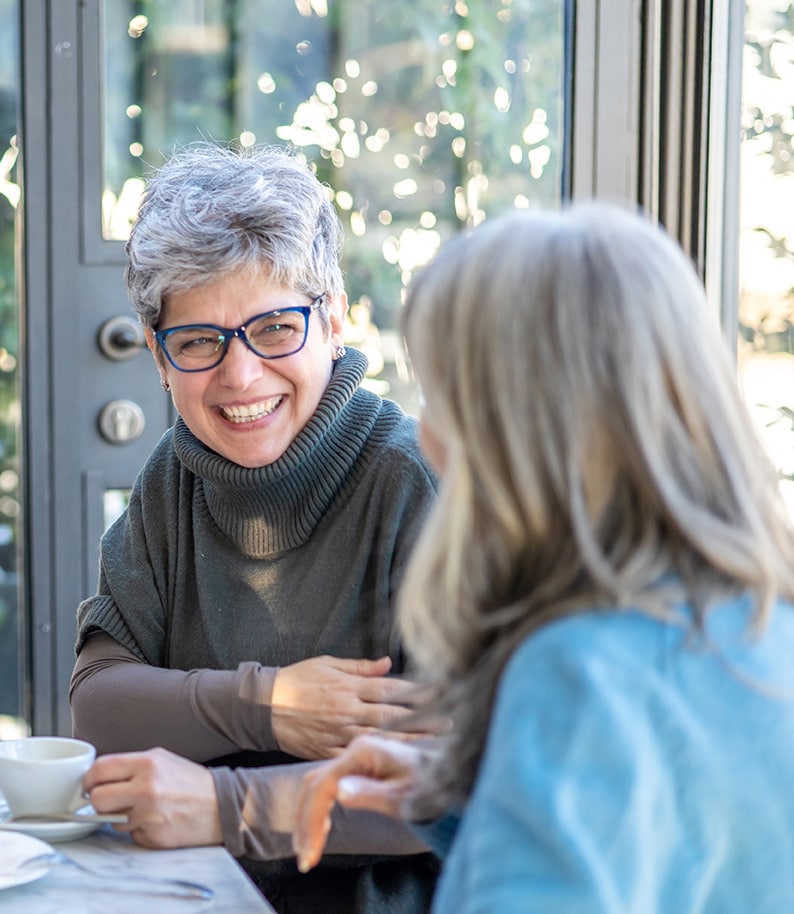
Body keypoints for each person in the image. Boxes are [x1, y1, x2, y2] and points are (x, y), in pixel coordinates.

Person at [290, 204, 794, 910]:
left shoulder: (579, 674)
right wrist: (479, 796)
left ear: (514, 437)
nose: (426, 433)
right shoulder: (760, 617)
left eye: (442, 400)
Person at [70, 142, 440, 912]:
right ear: (157, 355)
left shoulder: (412, 482)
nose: (239, 377)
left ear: (333, 320)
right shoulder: (175, 478)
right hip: (186, 891)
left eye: (274, 329)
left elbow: (443, 783)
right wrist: (267, 701)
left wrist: (222, 803)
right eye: (200, 342)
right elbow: (100, 707)